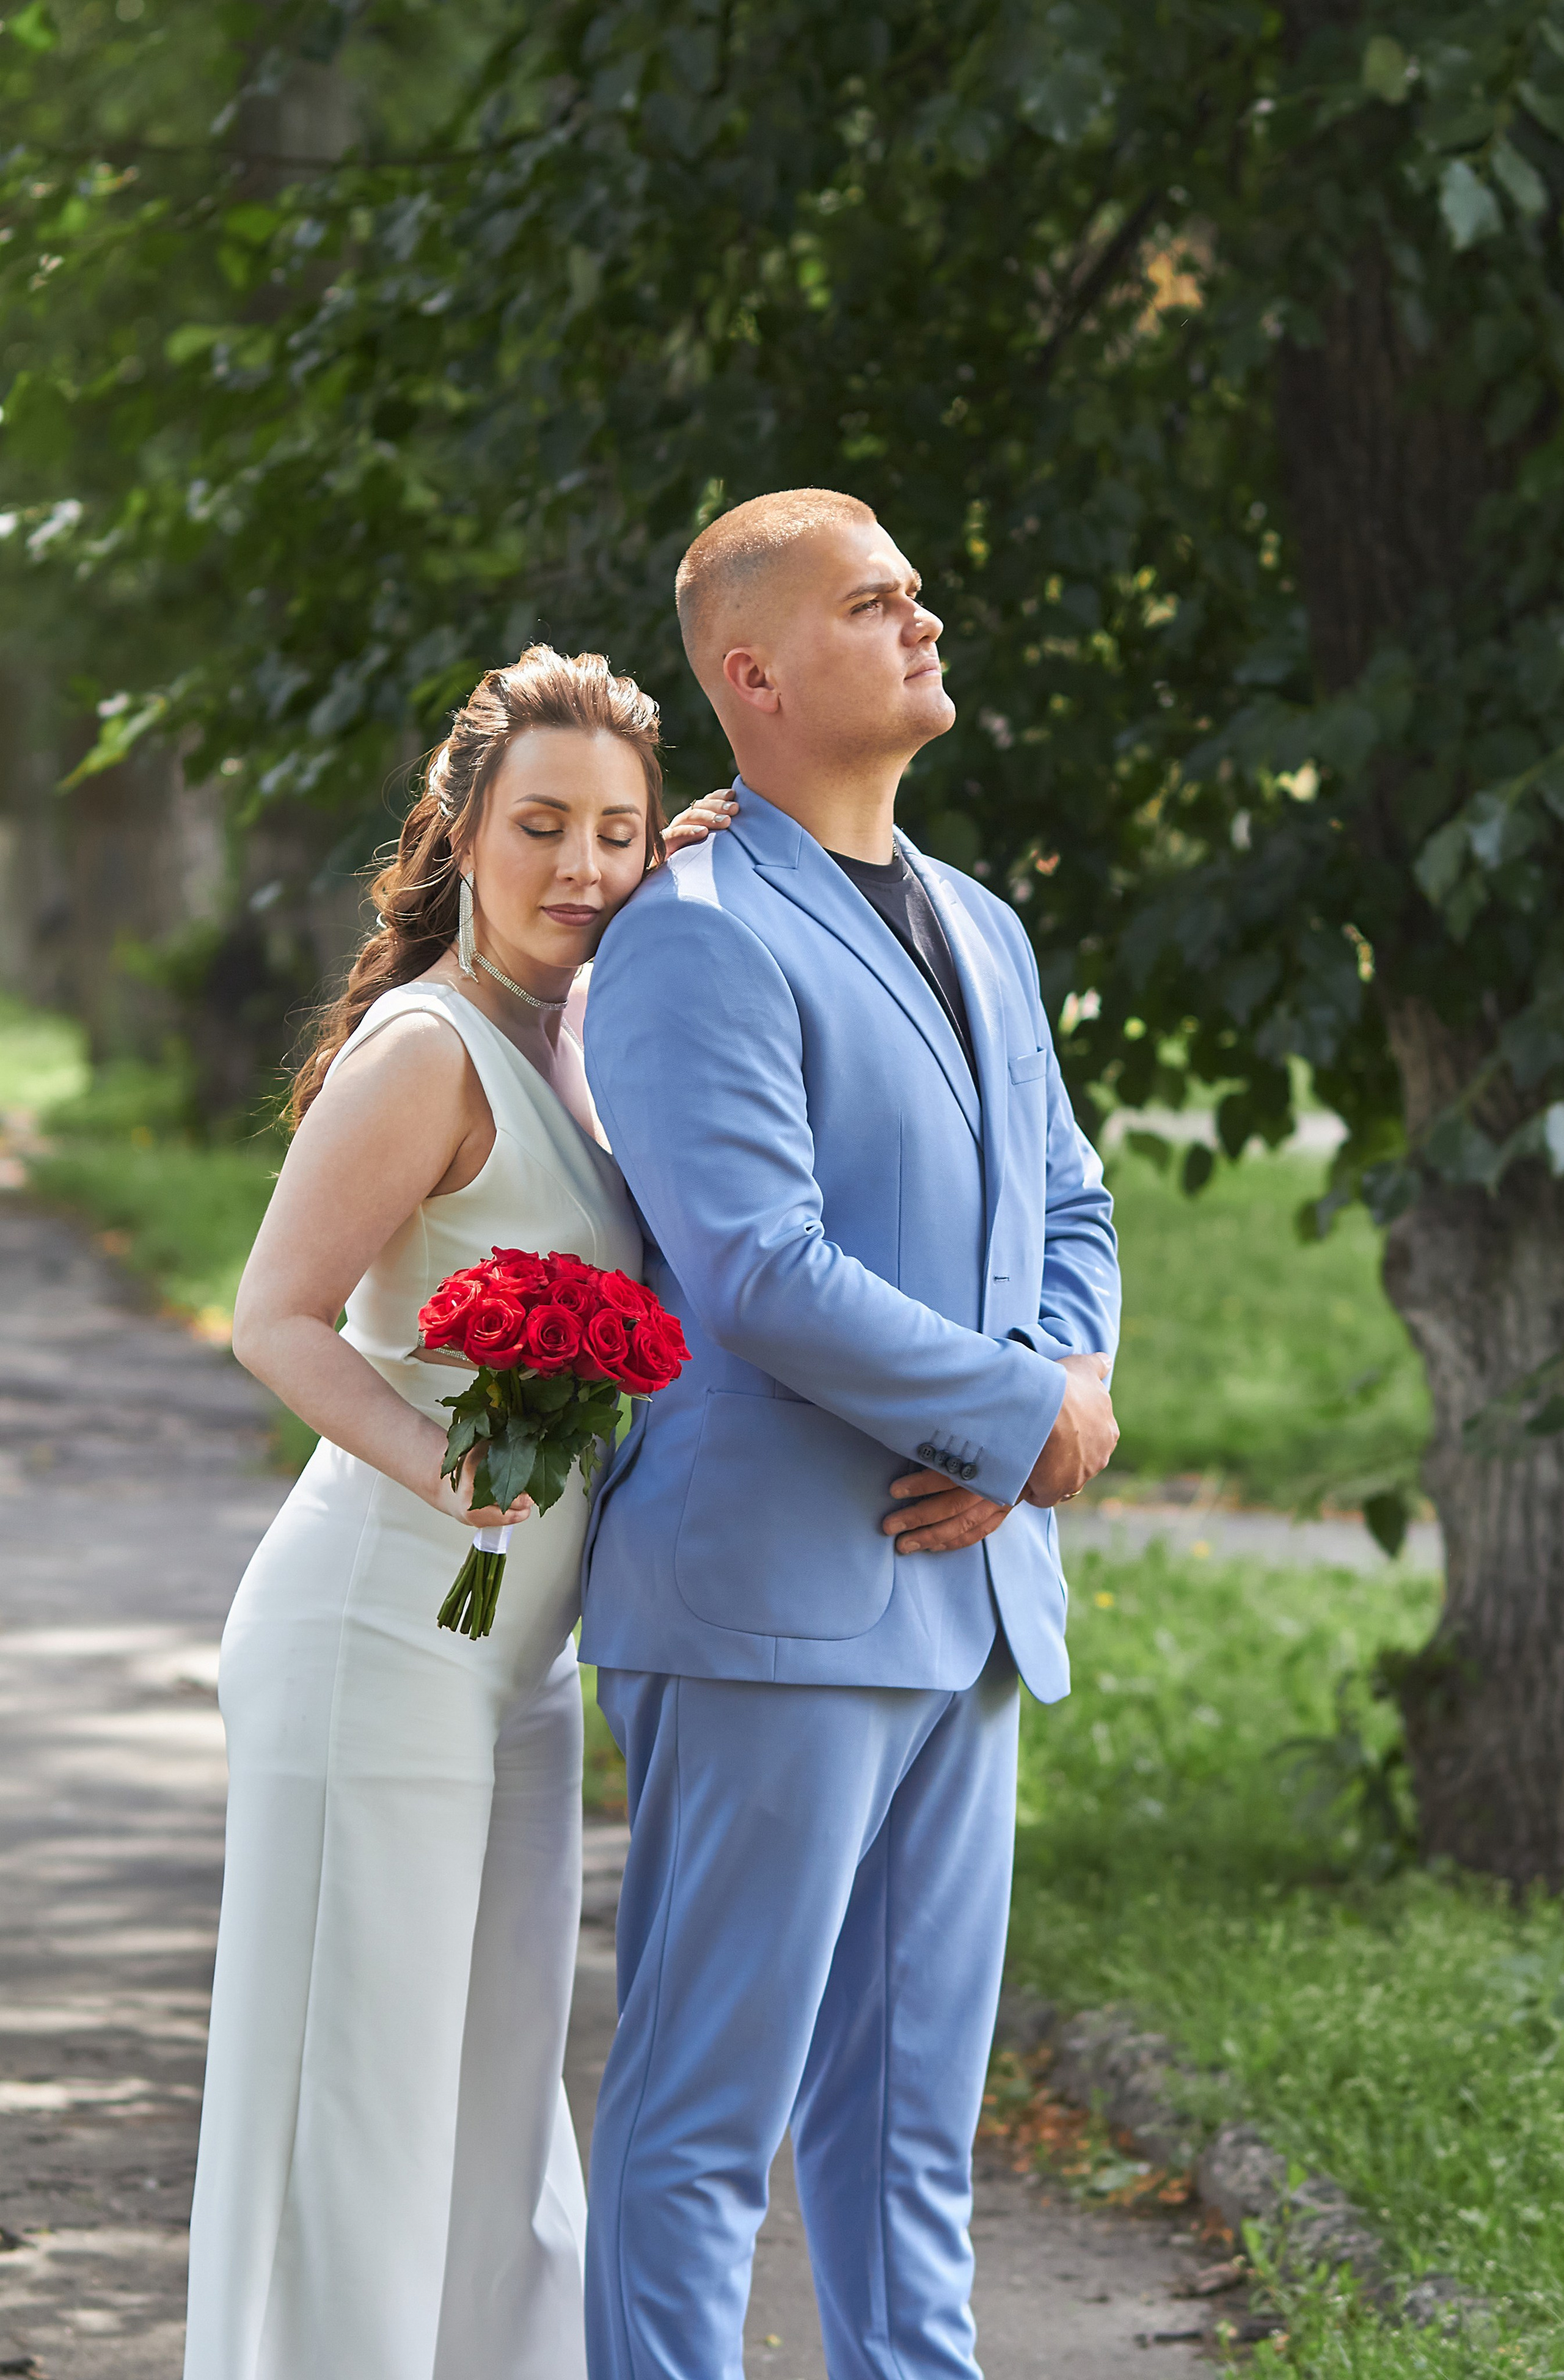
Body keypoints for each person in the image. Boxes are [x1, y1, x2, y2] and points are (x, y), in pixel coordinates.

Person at [579, 489, 1122, 2380]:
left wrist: (1062, 1388)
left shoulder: (985, 925)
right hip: (769, 1607)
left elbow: (1072, 1206)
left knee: (909, 2146)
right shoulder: (692, 935)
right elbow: (758, 1268)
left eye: (918, 591)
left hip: (970, 1599)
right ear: (753, 674)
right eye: (875, 602)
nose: (925, 619)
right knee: (704, 2126)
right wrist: (1015, 1422)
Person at [182, 646, 733, 2380]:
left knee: (498, 2116)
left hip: (511, 1660)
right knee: (354, 2110)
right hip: (378, 1632)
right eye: (542, 825)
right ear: (463, 830)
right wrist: (449, 1469)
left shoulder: (574, 1036)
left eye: (619, 833)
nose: (584, 865)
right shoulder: (429, 1048)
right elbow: (276, 1316)